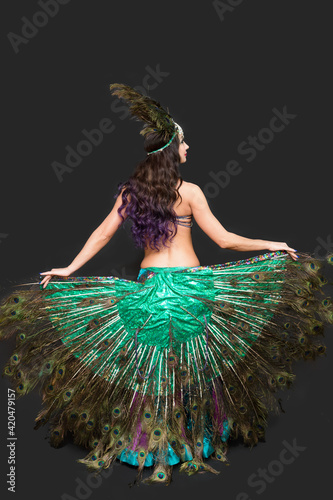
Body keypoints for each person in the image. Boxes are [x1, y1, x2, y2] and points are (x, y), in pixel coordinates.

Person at [0, 84, 332, 487]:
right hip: (194, 291)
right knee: (193, 366)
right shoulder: (189, 192)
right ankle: (194, 439)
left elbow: (103, 234)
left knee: (152, 370)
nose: (189, 147)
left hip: (151, 291)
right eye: (184, 141)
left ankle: (149, 442)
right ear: (173, 150)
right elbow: (225, 240)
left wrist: (69, 268)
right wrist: (272, 243)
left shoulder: (131, 192)